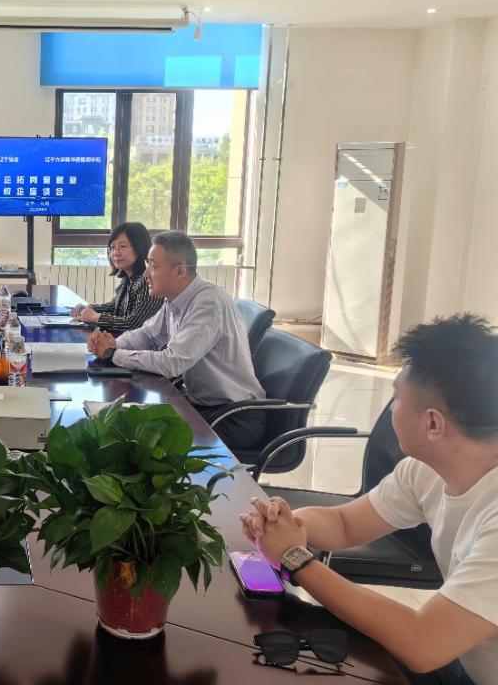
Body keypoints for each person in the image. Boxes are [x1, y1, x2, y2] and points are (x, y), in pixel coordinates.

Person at [241, 314, 498, 685]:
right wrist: (283, 522)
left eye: (397, 398)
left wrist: (294, 558)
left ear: (433, 424)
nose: (391, 409)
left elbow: (423, 642)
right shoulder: (425, 470)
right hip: (463, 658)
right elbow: (345, 524)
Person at [85, 230, 265, 449]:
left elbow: (172, 363)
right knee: (125, 423)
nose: (146, 274)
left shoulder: (208, 303)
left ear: (179, 270)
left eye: (153, 266)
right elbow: (147, 334)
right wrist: (114, 344)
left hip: (233, 417)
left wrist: (114, 354)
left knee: (137, 438)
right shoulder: (174, 300)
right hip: (202, 405)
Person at [70, 221, 163, 333]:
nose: (115, 253)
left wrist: (95, 317)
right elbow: (115, 307)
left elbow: (134, 325)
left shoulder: (148, 282)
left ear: (140, 247)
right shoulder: (127, 279)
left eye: (122, 246)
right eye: (112, 247)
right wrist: (89, 308)